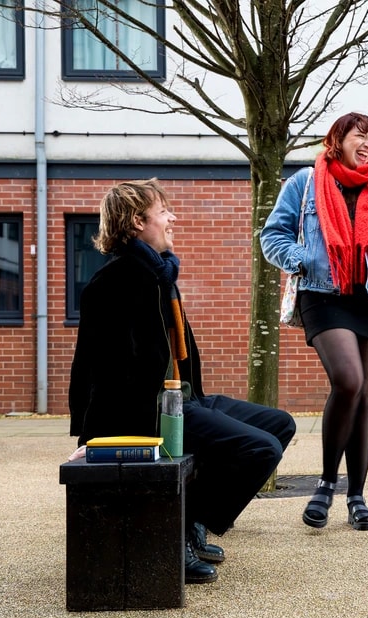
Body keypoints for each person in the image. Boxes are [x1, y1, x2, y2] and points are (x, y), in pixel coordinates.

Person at [69, 178, 296, 584]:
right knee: (261, 449)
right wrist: (89, 438)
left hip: (185, 398)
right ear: (137, 221)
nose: (173, 218)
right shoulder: (114, 283)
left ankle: (194, 521)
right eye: (163, 212)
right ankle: (183, 528)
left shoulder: (160, 275)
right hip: (150, 412)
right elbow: (91, 366)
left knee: (280, 424)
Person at [261, 112, 368, 532]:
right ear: (338, 139)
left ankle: (357, 497)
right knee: (348, 381)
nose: (367, 142)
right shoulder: (304, 183)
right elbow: (272, 235)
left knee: (365, 396)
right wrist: (300, 260)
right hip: (323, 293)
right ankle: (327, 483)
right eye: (359, 134)